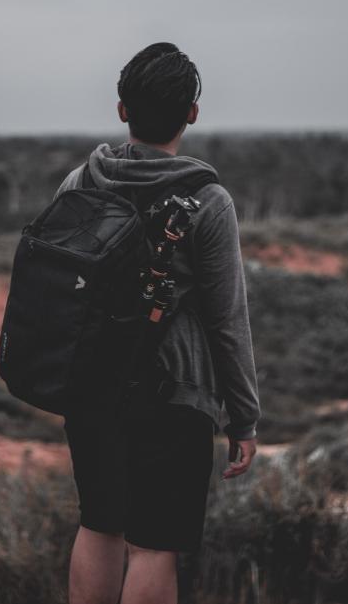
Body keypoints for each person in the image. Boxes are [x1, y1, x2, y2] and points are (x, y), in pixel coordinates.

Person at [53, 42, 261, 604]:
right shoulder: (207, 199)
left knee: (99, 526)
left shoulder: (82, 181)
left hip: (92, 389)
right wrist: (244, 416)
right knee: (153, 547)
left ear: (122, 109)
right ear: (192, 112)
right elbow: (226, 320)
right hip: (174, 394)